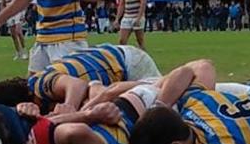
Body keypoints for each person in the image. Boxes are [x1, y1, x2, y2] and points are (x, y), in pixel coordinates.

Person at [25, 43, 161, 113]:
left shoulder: (37, 84)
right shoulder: (45, 91)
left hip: (127, 64)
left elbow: (77, 85)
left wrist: (69, 108)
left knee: (159, 104)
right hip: (114, 57)